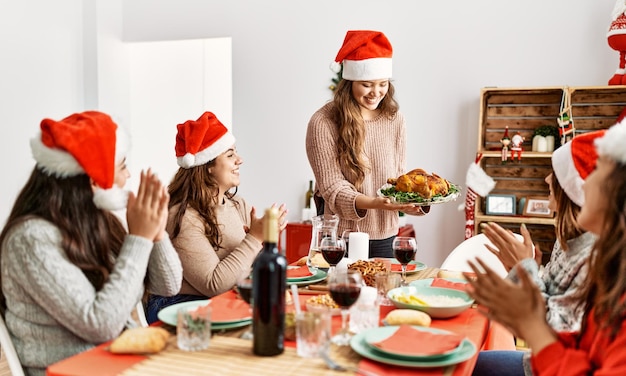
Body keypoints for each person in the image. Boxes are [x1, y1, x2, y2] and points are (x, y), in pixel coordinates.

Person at [0, 111, 183, 376]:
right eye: (122, 166)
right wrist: (139, 239)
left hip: (118, 363)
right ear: (93, 179)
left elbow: (167, 285)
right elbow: (101, 324)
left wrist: (156, 233)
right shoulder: (29, 239)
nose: (128, 175)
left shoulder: (98, 222)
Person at [467, 118, 626, 375]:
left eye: (598, 171)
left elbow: (553, 327)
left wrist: (524, 268)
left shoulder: (600, 262)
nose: (547, 178)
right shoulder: (578, 246)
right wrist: (527, 269)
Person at [146, 112, 287, 324]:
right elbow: (214, 284)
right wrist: (255, 239)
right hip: (178, 308)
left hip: (222, 300)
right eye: (230, 155)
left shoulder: (238, 205)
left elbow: (245, 269)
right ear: (208, 166)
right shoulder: (184, 216)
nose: (240, 160)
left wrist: (267, 241)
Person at [305, 30, 425, 258]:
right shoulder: (323, 122)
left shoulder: (395, 119)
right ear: (349, 83)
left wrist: (410, 203)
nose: (376, 93)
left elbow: (397, 178)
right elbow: (332, 188)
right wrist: (375, 203)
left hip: (387, 235)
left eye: (382, 84)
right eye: (367, 85)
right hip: (340, 239)